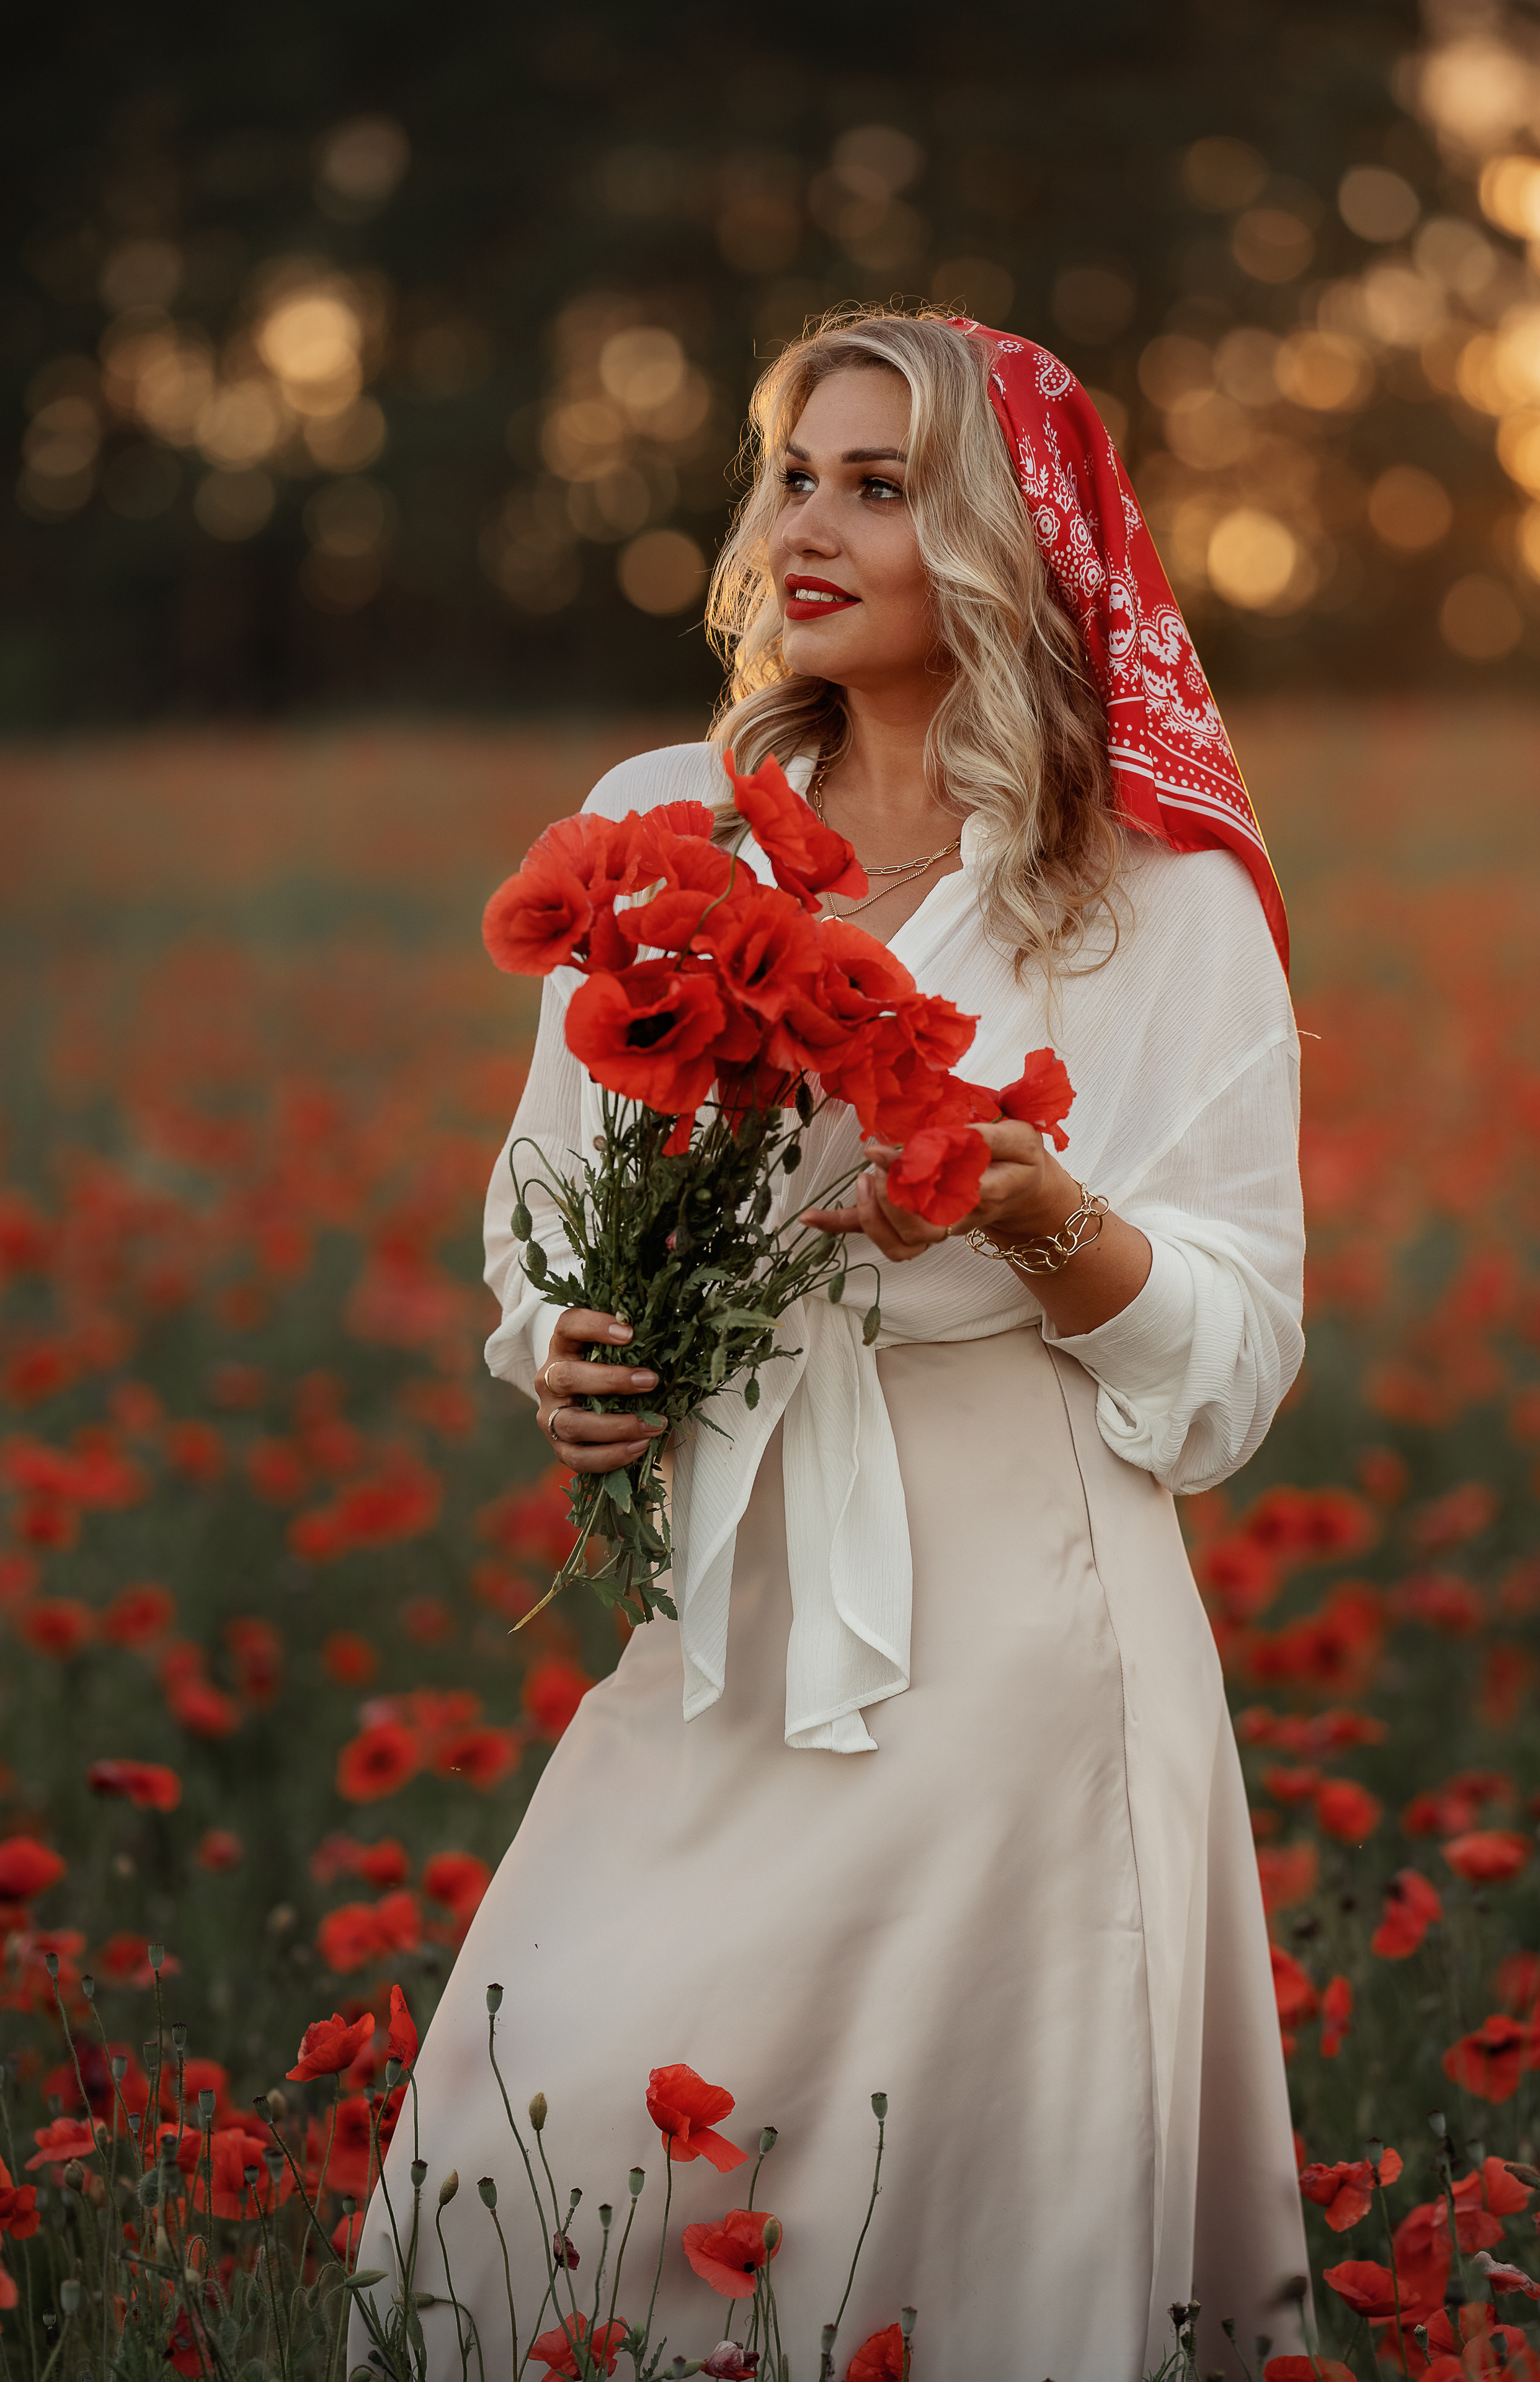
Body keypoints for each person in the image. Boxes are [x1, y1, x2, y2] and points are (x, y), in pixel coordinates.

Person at [362, 310, 1309, 2380]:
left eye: (883, 486)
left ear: (1001, 540)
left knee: (958, 2217)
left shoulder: (1149, 890)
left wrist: (1031, 1208)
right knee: (535, 2147)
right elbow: (538, 1200)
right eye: (797, 471)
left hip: (1018, 1636)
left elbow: (1230, 1369)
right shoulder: (660, 815)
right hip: (728, 1594)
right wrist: (561, 1342)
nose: (811, 522)